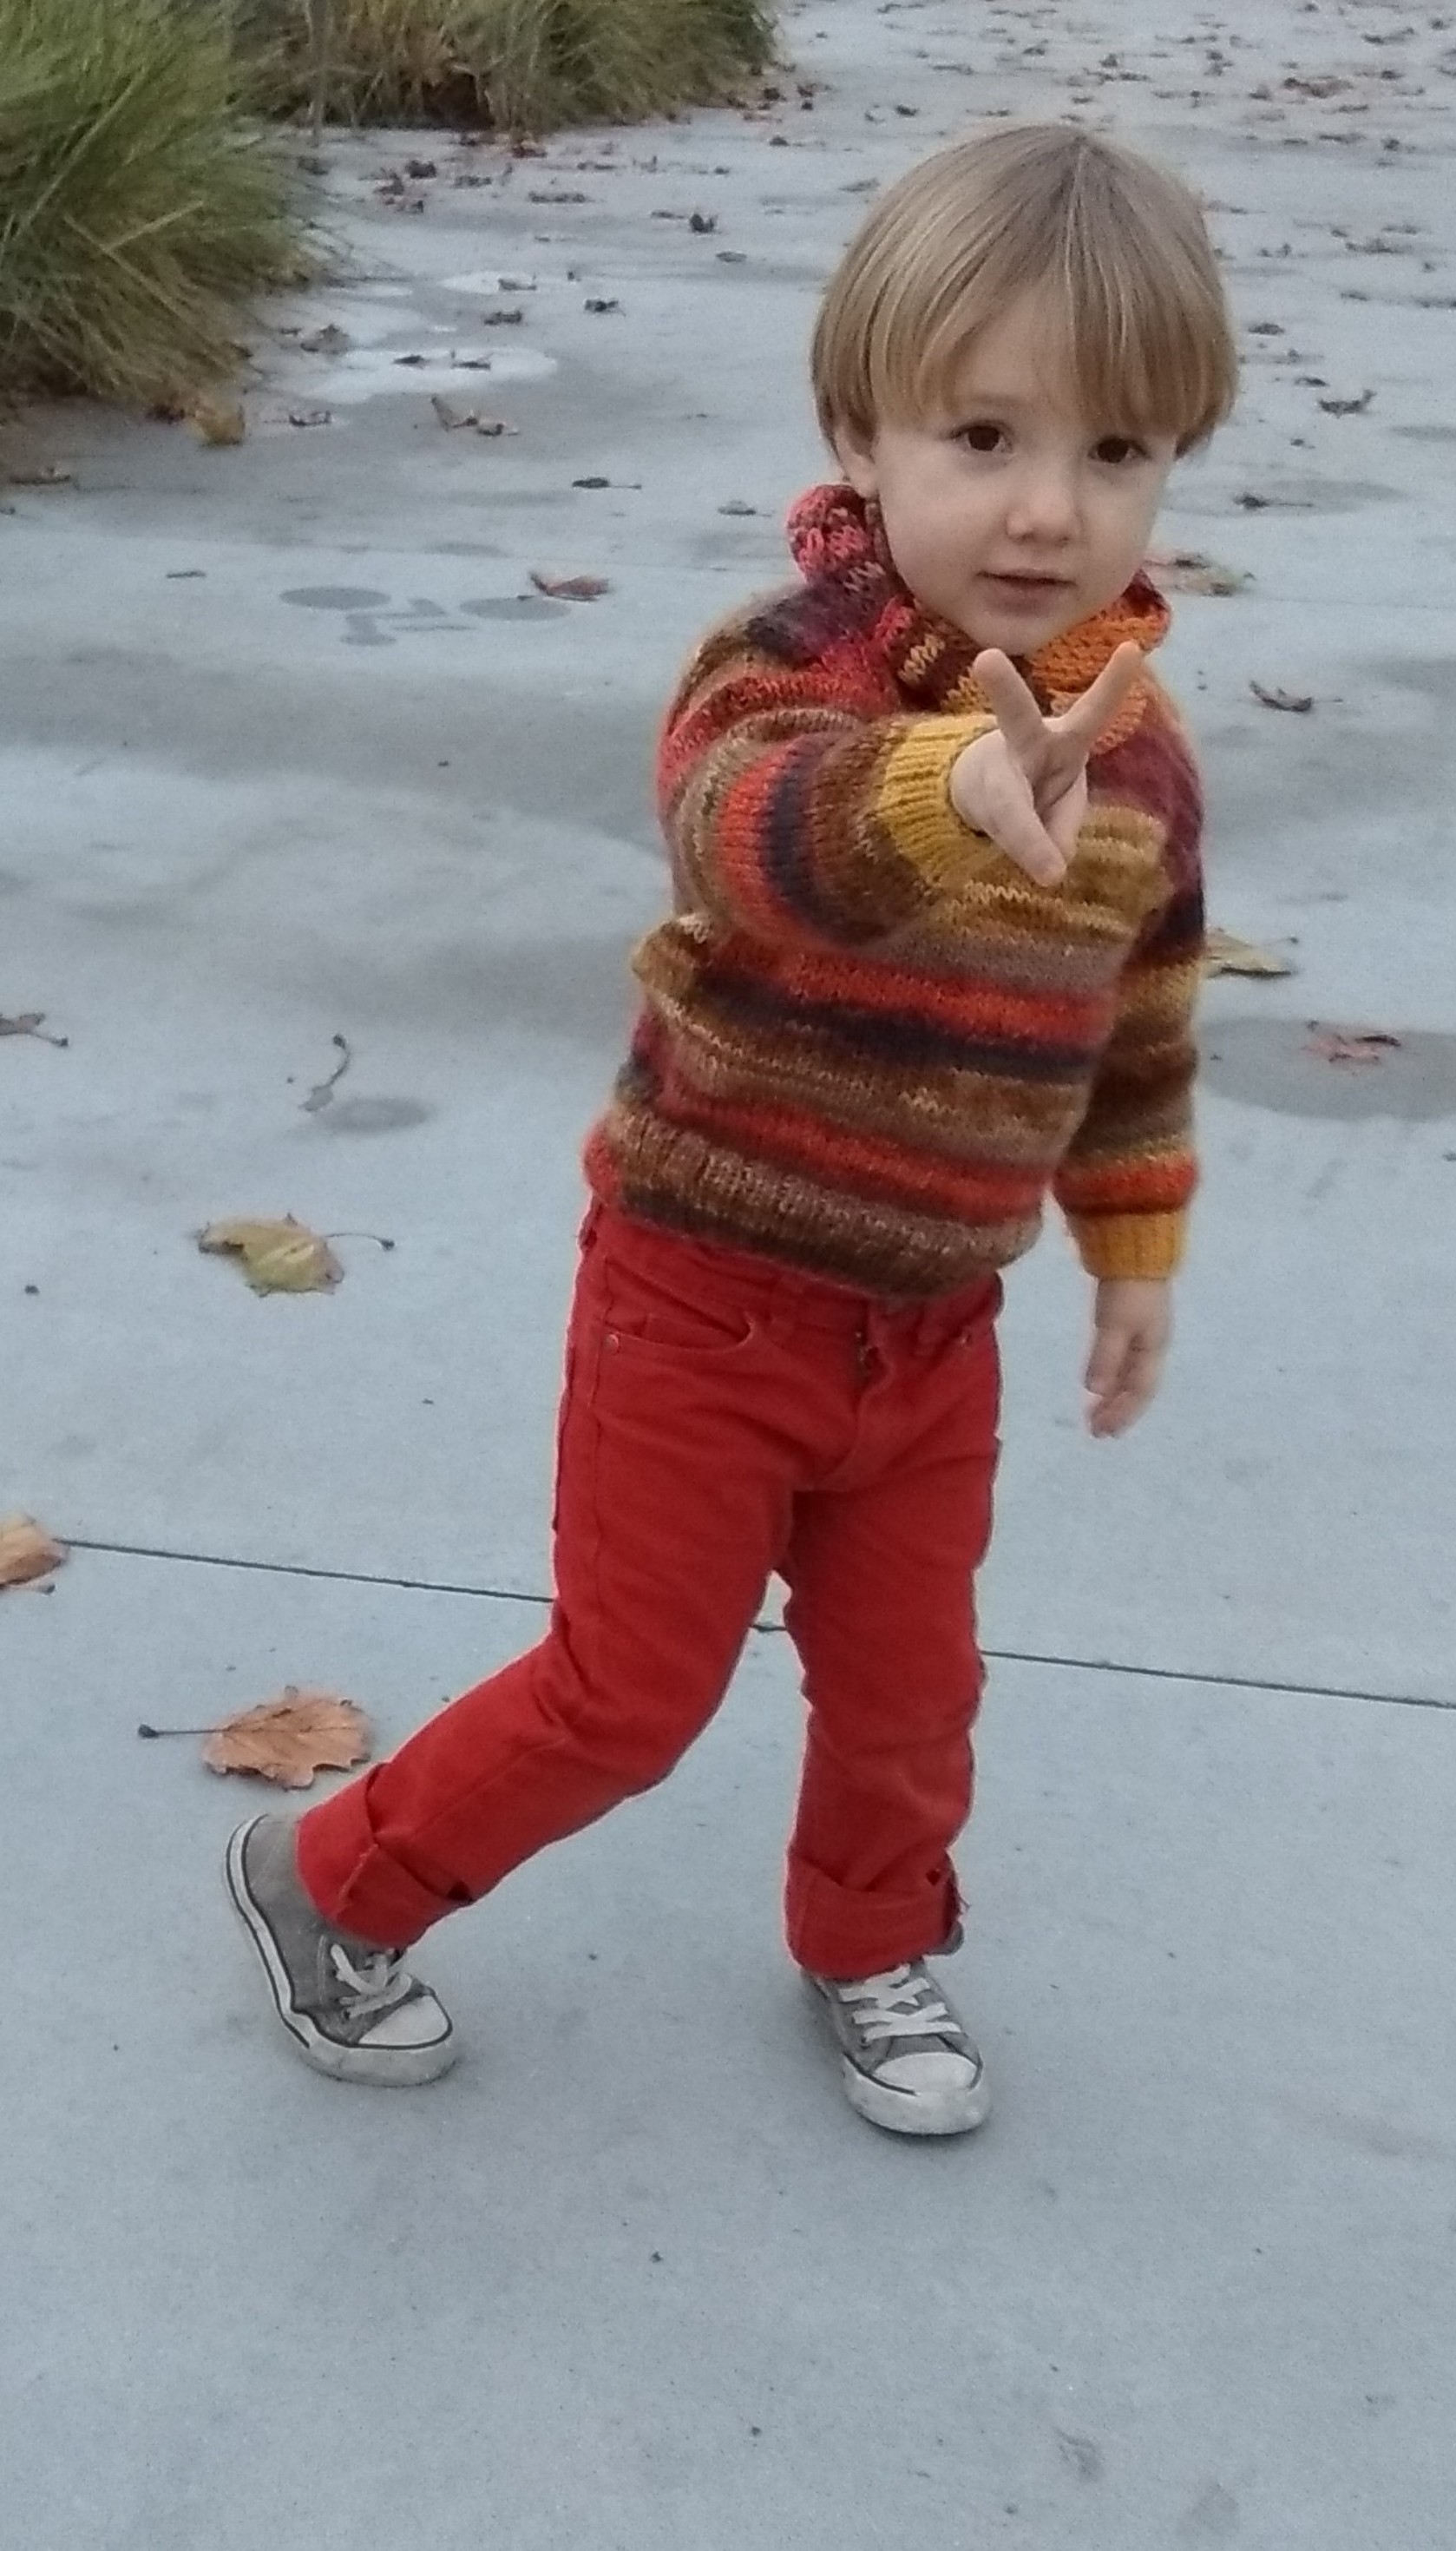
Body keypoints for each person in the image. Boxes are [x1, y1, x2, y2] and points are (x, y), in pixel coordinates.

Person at [225, 122, 1236, 2137]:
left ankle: (870, 1939)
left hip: (927, 1338)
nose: (1046, 506)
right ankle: (328, 1879)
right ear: (860, 432)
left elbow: (1134, 1022)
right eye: (981, 436)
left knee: (910, 1698)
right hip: (700, 1303)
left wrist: (1130, 1248)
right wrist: (945, 794)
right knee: (628, 1694)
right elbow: (744, 835)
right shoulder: (784, 673)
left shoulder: (1135, 757)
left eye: (1114, 451)